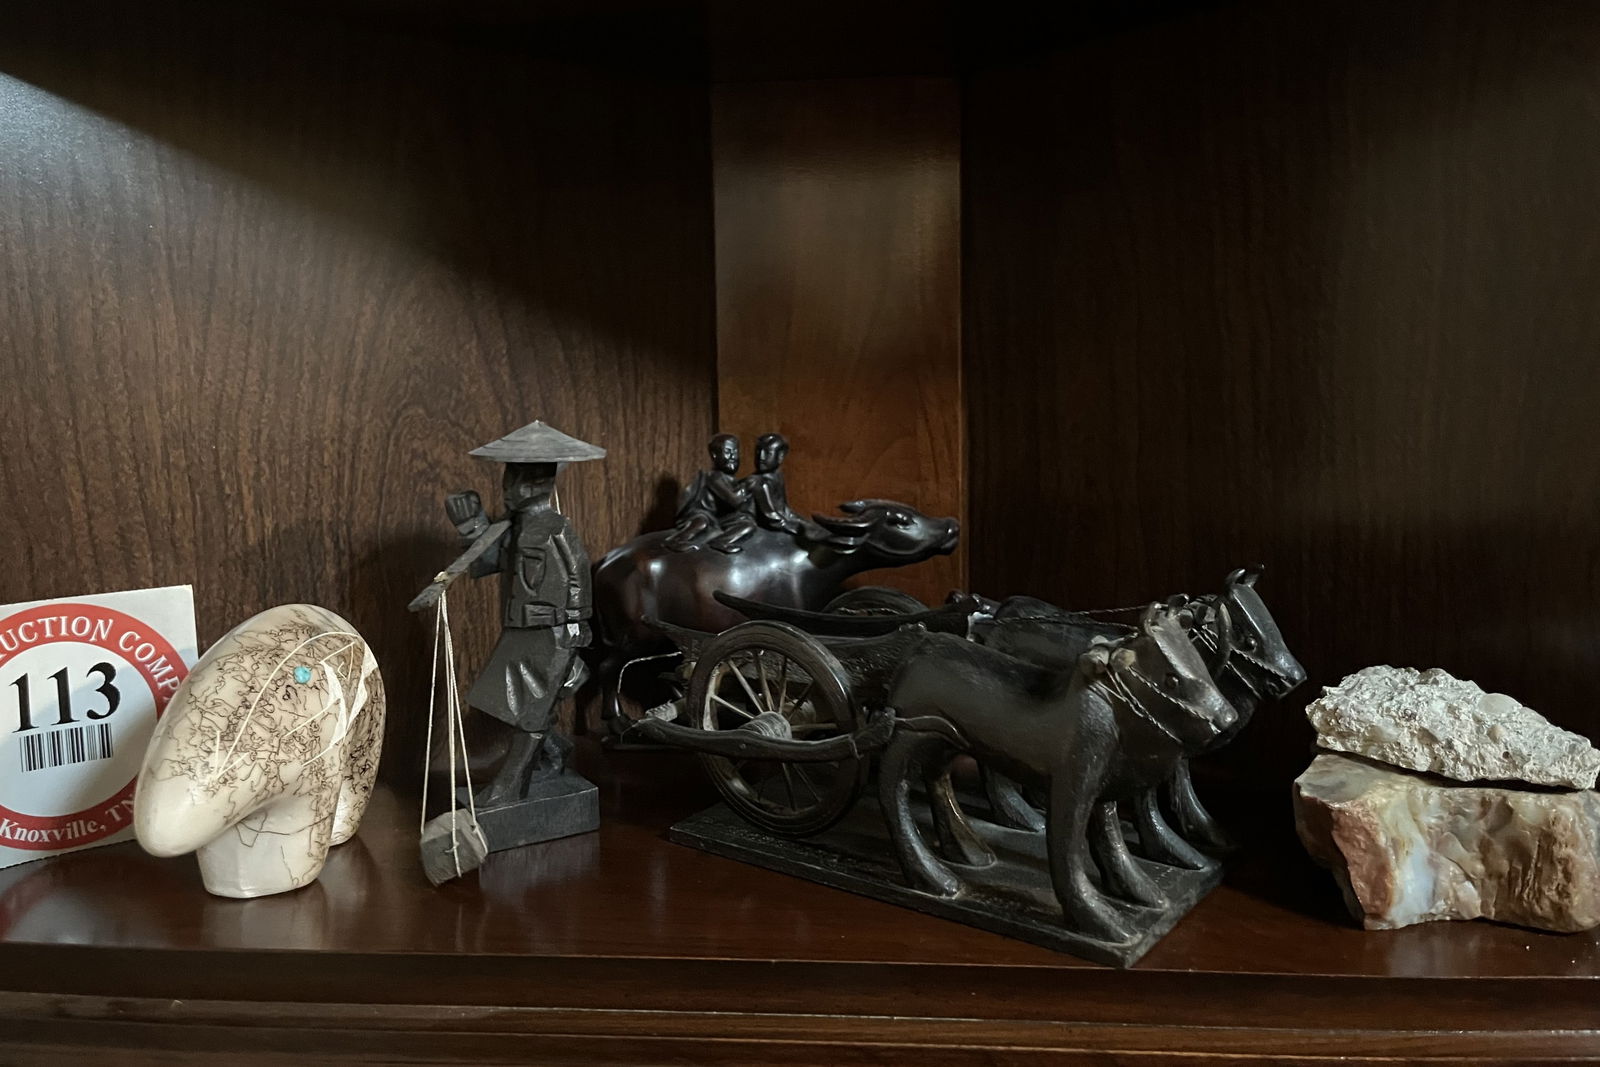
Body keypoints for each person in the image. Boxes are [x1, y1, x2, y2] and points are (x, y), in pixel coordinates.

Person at [442, 421, 604, 807]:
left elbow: (578, 575)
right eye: (507, 480)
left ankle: (509, 787)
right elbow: (487, 563)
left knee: (531, 712)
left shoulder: (556, 528)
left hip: (551, 634)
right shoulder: (514, 528)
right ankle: (554, 752)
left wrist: (576, 630)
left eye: (516, 481)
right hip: (520, 633)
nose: (507, 489)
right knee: (506, 703)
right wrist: (472, 525)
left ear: (538, 484)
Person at [711, 431, 804, 551]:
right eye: (758, 452)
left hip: (751, 518)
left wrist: (804, 524)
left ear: (781, 456)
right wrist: (794, 526)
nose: (762, 457)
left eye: (768, 453)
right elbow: (770, 515)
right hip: (737, 519)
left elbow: (783, 508)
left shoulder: (777, 477)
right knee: (747, 526)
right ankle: (720, 542)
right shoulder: (758, 482)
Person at [664, 433, 748, 552]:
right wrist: (747, 487)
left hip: (719, 517)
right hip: (701, 513)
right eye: (728, 452)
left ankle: (724, 540)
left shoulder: (731, 479)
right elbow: (734, 500)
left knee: (746, 524)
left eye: (735, 452)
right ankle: (676, 540)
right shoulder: (714, 478)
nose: (732, 456)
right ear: (714, 455)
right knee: (701, 523)